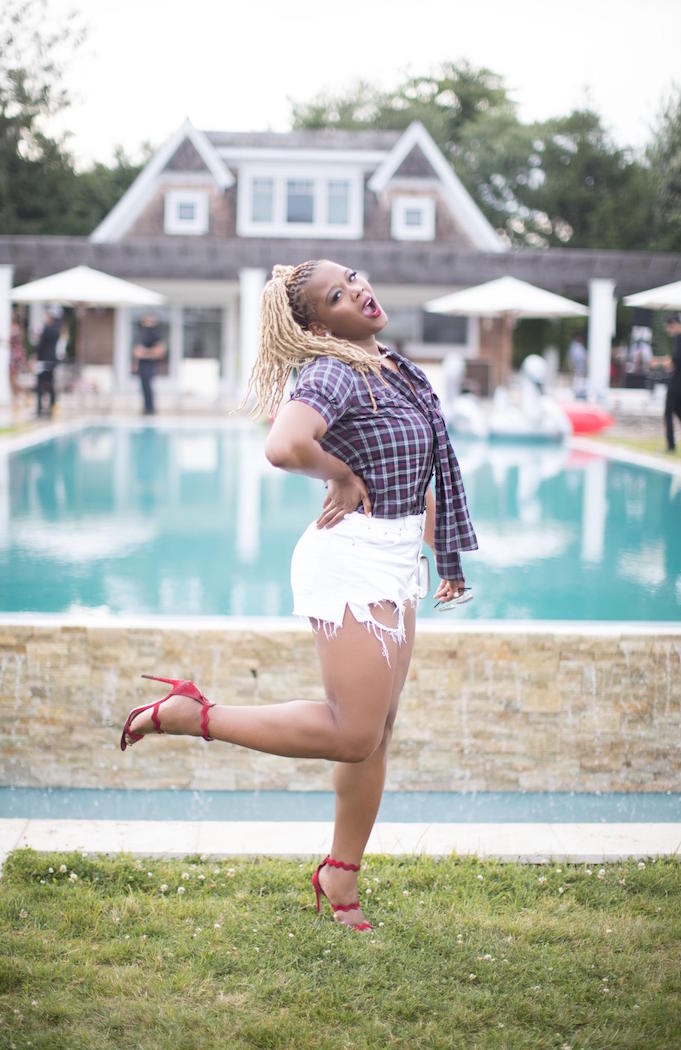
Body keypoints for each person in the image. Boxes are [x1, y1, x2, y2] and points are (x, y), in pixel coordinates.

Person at [120, 260, 478, 931]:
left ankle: (341, 878)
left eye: (354, 277)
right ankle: (191, 714)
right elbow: (284, 445)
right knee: (353, 733)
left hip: (394, 558)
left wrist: (441, 550)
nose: (359, 291)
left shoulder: (394, 369)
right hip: (352, 560)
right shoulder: (333, 370)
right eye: (337, 295)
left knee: (377, 734)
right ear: (317, 327)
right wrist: (339, 473)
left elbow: (415, 469)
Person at [132, 314, 165, 415]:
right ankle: (146, 408)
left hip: (150, 364)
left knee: (148, 386)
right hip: (142, 364)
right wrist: (136, 362)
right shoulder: (140, 334)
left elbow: (160, 351)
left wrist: (145, 352)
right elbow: (137, 352)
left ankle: (150, 408)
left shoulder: (155, 334)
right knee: (143, 386)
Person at [35, 307, 63, 417]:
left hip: (43, 361)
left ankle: (39, 408)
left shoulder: (46, 330)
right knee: (50, 384)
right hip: (52, 361)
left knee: (40, 384)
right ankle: (52, 406)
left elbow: (41, 346)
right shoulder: (57, 331)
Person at [663, 313, 681, 453]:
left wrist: (666, 363)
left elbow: (677, 360)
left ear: (675, 324)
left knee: (668, 411)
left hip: (678, 380)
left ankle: (671, 446)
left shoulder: (680, 338)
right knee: (678, 409)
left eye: (669, 327)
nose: (668, 330)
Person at [9, 312, 28, 400]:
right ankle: (17, 398)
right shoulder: (18, 329)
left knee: (12, 379)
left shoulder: (15, 329)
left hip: (15, 357)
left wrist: (0, 341)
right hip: (16, 356)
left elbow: (11, 342)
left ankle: (24, 393)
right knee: (13, 379)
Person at [568, 331, 587, 399]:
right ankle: (577, 394)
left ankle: (579, 394)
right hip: (577, 368)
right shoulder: (575, 346)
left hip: (580, 368)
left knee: (580, 381)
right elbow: (574, 358)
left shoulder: (579, 346)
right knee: (577, 381)